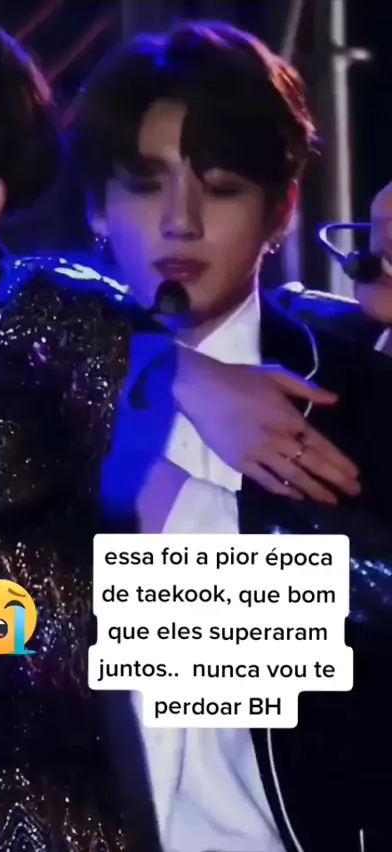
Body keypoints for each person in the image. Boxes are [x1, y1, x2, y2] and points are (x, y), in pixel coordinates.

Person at [72, 20, 392, 852]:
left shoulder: (359, 391)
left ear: (282, 208)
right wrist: (157, 368)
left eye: (219, 188)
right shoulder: (14, 394)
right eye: (144, 186)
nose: (179, 223)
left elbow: (362, 637)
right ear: (96, 206)